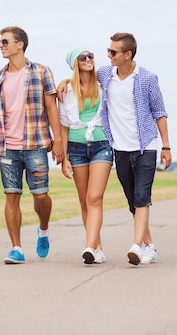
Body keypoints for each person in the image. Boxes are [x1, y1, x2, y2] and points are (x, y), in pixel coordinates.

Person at [57, 32, 171, 266]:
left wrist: (166, 146)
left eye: (112, 52)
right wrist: (66, 81)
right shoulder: (106, 75)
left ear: (127, 54)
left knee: (134, 197)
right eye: (107, 51)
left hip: (140, 144)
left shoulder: (145, 79)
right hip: (116, 147)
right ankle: (143, 245)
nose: (105, 56)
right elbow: (79, 83)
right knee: (131, 199)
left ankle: (136, 246)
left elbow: (159, 112)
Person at [0, 26, 65, 264]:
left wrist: (58, 140)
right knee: (12, 196)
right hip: (7, 146)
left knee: (41, 196)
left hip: (36, 143)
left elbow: (52, 107)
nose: (1, 45)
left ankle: (43, 228)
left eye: (5, 41)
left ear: (20, 44)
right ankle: (16, 248)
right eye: (0, 42)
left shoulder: (41, 72)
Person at [58, 47, 113, 265]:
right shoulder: (67, 90)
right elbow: (63, 124)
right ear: (75, 63)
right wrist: (64, 157)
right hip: (77, 148)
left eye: (91, 56)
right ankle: (96, 247)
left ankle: (89, 246)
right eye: (83, 57)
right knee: (84, 201)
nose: (89, 59)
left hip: (101, 145)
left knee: (94, 198)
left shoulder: (103, 83)